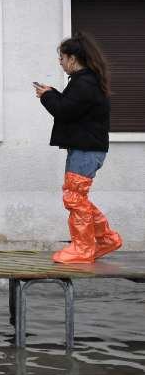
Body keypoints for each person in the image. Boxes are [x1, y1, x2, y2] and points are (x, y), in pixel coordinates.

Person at [34, 31, 122, 264]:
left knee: (74, 198)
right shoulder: (88, 81)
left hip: (85, 149)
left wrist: (46, 97)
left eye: (62, 59)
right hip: (87, 148)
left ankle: (83, 248)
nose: (60, 63)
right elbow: (71, 107)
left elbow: (64, 111)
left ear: (73, 58)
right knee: (77, 197)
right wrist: (53, 93)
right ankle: (105, 239)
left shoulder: (84, 83)